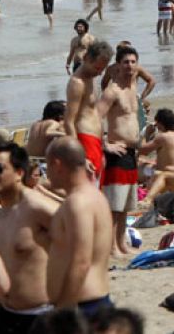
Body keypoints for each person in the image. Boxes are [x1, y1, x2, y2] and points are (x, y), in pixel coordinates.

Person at [45, 137, 114, 318]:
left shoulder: (78, 203)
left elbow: (81, 261)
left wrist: (62, 310)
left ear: (57, 164)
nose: (47, 174)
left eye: (47, 166)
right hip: (93, 300)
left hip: (82, 306)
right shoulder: (95, 196)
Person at [0, 142, 57, 333]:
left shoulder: (37, 208)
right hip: (8, 315)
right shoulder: (2, 212)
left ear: (19, 173)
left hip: (42, 317)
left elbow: (80, 244)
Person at [97, 45, 143, 256]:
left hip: (132, 153)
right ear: (118, 65)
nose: (130, 66)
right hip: (117, 153)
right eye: (126, 62)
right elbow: (95, 118)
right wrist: (106, 144)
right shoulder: (112, 91)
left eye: (133, 62)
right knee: (114, 205)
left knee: (125, 205)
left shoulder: (133, 86)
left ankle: (121, 243)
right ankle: (112, 247)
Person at [65, 40, 114, 182]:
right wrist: (81, 157)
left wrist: (103, 144)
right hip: (84, 141)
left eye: (102, 69)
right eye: (97, 68)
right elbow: (69, 122)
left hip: (95, 142)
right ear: (86, 58)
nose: (99, 73)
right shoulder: (77, 83)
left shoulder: (90, 78)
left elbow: (94, 113)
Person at [138, 108, 174, 202]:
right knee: (149, 164)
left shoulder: (162, 137)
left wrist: (146, 134)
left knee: (140, 166)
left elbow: (142, 151)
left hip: (167, 176)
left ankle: (146, 191)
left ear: (160, 124)